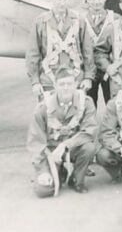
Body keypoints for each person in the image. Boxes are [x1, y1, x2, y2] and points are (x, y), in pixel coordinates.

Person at [26, 67, 97, 197]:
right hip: (51, 152)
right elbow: (35, 142)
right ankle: (58, 172)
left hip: (73, 148)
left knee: (89, 147)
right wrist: (43, 170)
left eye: (69, 84)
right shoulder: (43, 108)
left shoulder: (86, 103)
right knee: (43, 191)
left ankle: (76, 179)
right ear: (55, 85)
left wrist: (65, 146)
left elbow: (89, 132)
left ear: (75, 84)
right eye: (61, 84)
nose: (66, 88)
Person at [25, 0, 95, 99]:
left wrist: (88, 77)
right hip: (49, 80)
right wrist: (35, 81)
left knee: (76, 113)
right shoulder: (41, 22)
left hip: (75, 78)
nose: (62, 3)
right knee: (50, 113)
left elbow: (87, 51)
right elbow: (33, 53)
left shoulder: (79, 20)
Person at [80, 0, 119, 106]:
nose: (96, 2)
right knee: (89, 103)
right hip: (89, 69)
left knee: (113, 102)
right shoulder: (80, 19)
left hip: (109, 67)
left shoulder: (115, 18)